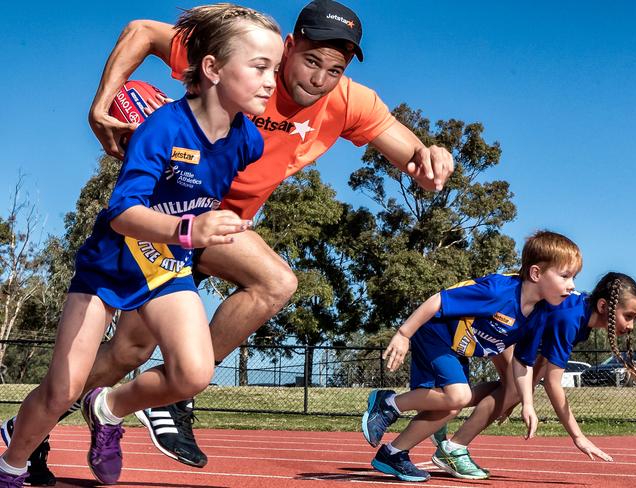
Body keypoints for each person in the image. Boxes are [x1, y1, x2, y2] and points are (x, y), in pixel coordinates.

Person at [0, 2, 455, 485]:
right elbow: (142, 32)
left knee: (246, 298)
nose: (320, 78)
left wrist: (431, 160)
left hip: (218, 225)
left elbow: (412, 156)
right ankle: (35, 433)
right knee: (130, 352)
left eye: (334, 69)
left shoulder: (347, 101)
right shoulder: (245, 62)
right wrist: (102, 105)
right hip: (167, 222)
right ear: (289, 47)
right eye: (310, 61)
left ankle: (153, 397)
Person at [0, 5, 284, 487]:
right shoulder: (163, 129)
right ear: (212, 68)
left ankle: (108, 409)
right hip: (109, 265)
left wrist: (218, 225)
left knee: (192, 374)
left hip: (163, 267)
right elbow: (122, 212)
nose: (271, 81)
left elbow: (205, 191)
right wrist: (190, 231)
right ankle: (11, 465)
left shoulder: (246, 141)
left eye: (274, 69)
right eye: (259, 67)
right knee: (61, 387)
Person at [360, 230, 582, 482]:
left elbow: (522, 363)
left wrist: (528, 404)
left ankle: (393, 453)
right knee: (460, 396)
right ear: (536, 273)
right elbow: (438, 301)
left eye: (573, 277)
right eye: (565, 276)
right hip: (434, 334)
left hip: (457, 350)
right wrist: (403, 333)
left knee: (451, 407)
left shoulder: (539, 315)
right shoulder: (498, 292)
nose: (571, 285)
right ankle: (387, 404)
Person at [430, 272, 636, 480]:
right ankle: (454, 448)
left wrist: (524, 397)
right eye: (628, 316)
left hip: (515, 324)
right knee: (512, 391)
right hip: (504, 315)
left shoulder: (580, 318)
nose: (631, 326)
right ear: (603, 306)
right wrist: (578, 436)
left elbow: (542, 359)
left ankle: (439, 410)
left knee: (512, 391)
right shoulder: (570, 319)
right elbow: (553, 384)